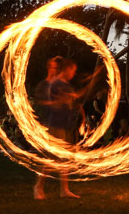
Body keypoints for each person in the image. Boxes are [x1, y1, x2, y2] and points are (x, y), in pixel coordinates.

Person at [34, 57, 88, 200]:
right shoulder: (56, 84)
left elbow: (73, 104)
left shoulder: (67, 86)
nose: (74, 74)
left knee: (64, 159)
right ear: (67, 69)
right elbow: (51, 104)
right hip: (55, 125)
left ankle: (64, 190)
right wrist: (60, 101)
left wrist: (82, 117)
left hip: (65, 126)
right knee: (51, 159)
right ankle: (38, 187)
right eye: (73, 70)